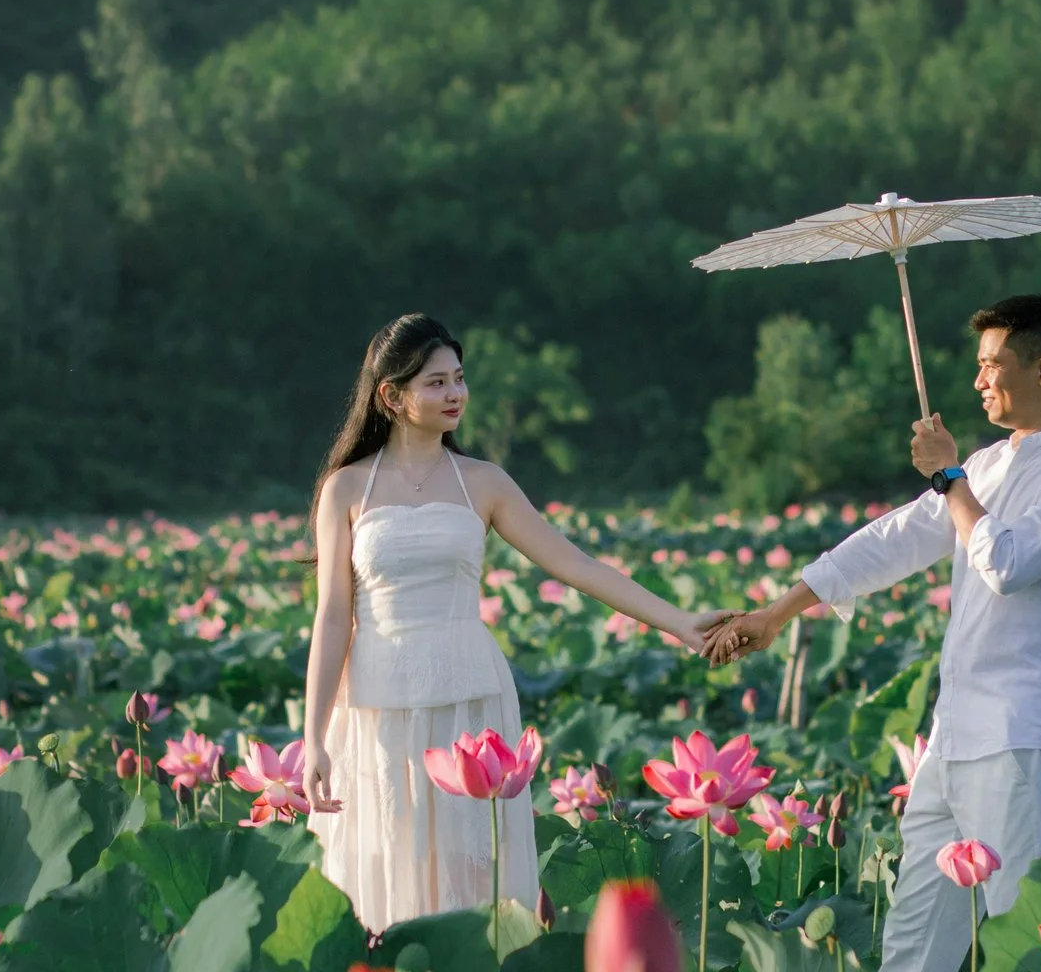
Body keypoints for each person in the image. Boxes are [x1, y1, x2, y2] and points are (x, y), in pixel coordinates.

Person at [705, 294, 1041, 972]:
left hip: (1019, 738)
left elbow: (1007, 562)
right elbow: (894, 539)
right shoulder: (990, 464)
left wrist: (950, 476)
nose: (978, 382)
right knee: (911, 944)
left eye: (993, 366)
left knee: (1032, 946)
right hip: (952, 739)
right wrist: (779, 611)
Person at [304, 314, 729, 930]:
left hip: (467, 700)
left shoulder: (483, 483)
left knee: (473, 873)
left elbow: (578, 566)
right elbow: (333, 615)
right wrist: (314, 736)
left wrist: (680, 622)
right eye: (437, 383)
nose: (455, 395)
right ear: (391, 396)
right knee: (384, 864)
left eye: (459, 379)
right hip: (374, 704)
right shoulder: (345, 489)